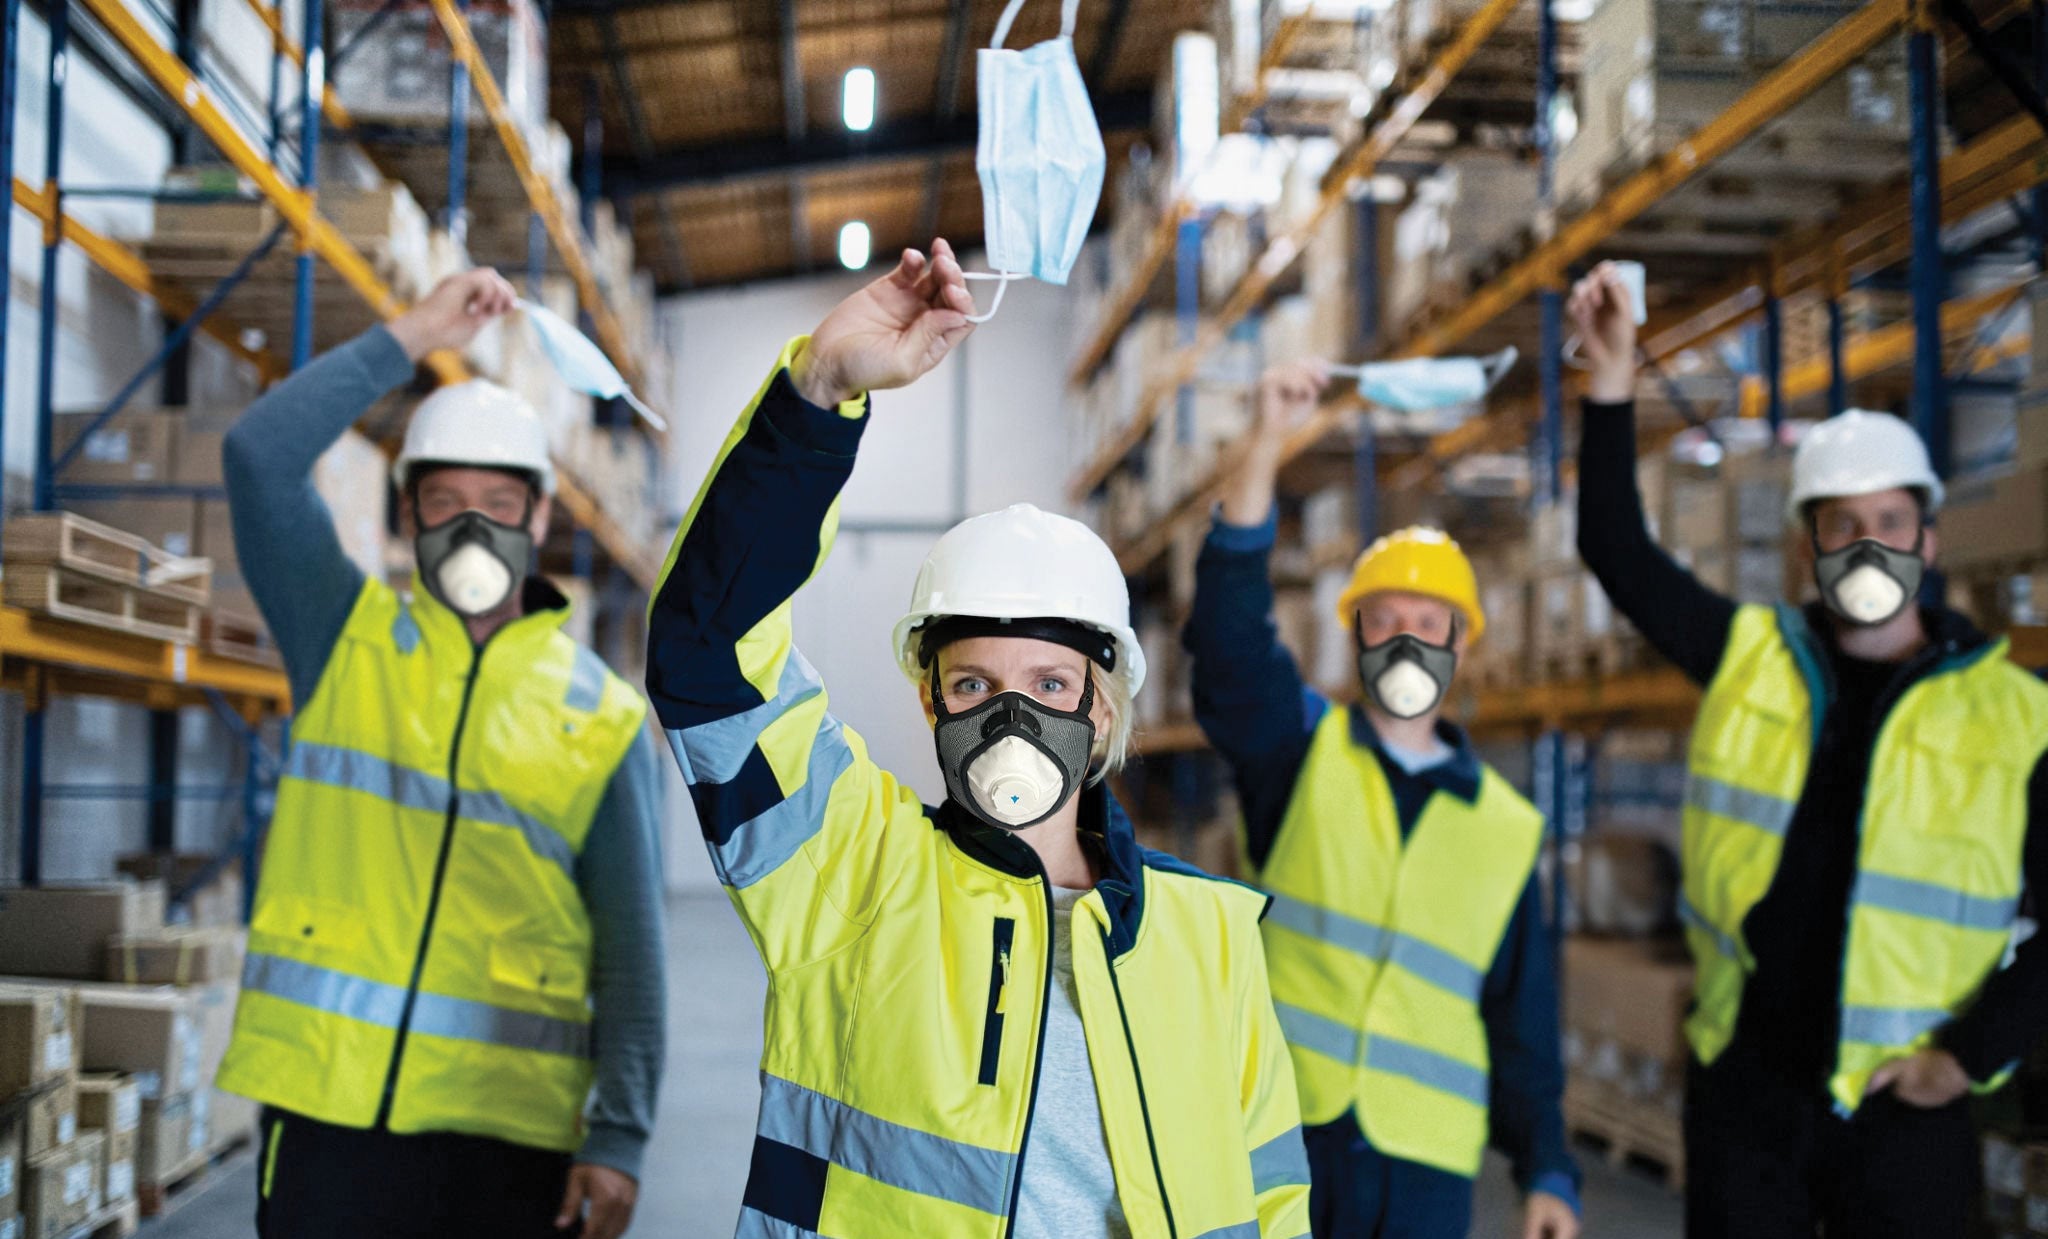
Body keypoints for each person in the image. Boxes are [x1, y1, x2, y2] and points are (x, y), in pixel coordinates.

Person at [646, 238, 1312, 1239]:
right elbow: (707, 656)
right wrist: (816, 392)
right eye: (973, 685)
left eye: (1049, 684)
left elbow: (1268, 1199)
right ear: (929, 703)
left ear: (1101, 709)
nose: (1012, 719)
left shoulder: (1206, 935)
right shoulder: (848, 872)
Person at [1569, 261, 2048, 1238]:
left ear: (1927, 537)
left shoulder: (2017, 713)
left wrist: (1965, 1056)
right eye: (1841, 526)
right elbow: (1615, 549)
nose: (1866, 547)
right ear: (1803, 547)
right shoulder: (1748, 655)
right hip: (1748, 1095)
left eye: (1887, 523)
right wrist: (1611, 379)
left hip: (1905, 1112)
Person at [213, 269, 667, 1239]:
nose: (472, 525)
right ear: (407, 514)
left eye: (499, 502)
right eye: (443, 498)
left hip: (505, 1138)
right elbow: (257, 456)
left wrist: (617, 1136)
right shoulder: (341, 636)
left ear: (538, 519)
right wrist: (415, 333)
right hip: (329, 1117)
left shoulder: (602, 715)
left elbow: (633, 952)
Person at [1181, 362, 1583, 1239]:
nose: (1405, 639)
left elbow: (1525, 1021)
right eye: (1382, 619)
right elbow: (1228, 643)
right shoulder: (1297, 748)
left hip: (1426, 1168)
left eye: (1428, 622)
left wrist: (1546, 1165)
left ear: (1461, 644)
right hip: (1286, 1130)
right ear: (1354, 632)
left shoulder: (1509, 831)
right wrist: (1265, 443)